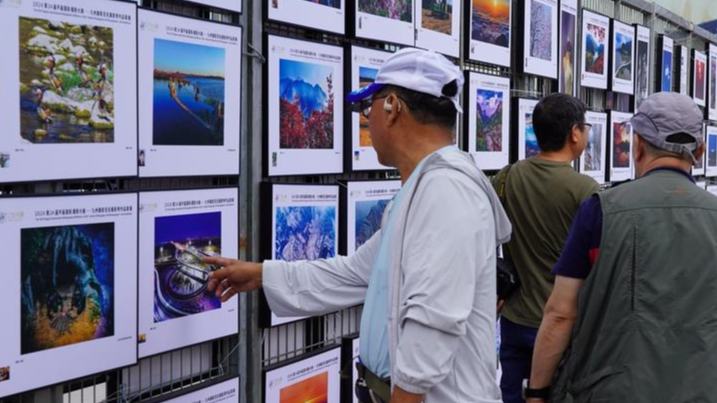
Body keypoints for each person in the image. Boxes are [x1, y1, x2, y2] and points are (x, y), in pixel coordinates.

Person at [204, 48, 511, 402]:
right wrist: (260, 274)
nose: (367, 121)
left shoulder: (446, 191)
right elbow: (355, 274)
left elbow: (434, 323)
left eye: (369, 108)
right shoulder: (423, 190)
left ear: (392, 106)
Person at [526, 92, 717, 402]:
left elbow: (561, 313)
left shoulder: (601, 210)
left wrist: (537, 391)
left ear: (638, 145)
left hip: (612, 389)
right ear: (700, 149)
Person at [492, 94, 599, 403]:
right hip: (562, 329)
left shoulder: (506, 177)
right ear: (575, 133)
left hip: (514, 319)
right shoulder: (585, 190)